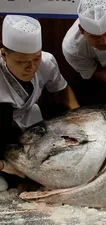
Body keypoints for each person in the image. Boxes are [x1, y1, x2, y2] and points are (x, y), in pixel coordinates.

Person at [0, 15, 80, 189]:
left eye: (35, 59)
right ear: (4, 55)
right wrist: (5, 166)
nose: (31, 67)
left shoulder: (46, 61)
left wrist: (78, 117)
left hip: (29, 116)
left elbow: (63, 91)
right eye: (21, 62)